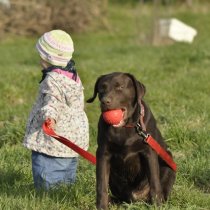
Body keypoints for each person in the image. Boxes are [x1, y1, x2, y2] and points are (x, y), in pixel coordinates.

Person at [23, 29, 89, 190]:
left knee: (47, 176)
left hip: (54, 138)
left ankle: (48, 199)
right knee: (66, 174)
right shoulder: (72, 75)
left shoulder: (53, 79)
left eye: (41, 55)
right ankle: (63, 196)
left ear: (47, 57)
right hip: (72, 137)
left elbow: (53, 101)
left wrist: (50, 118)